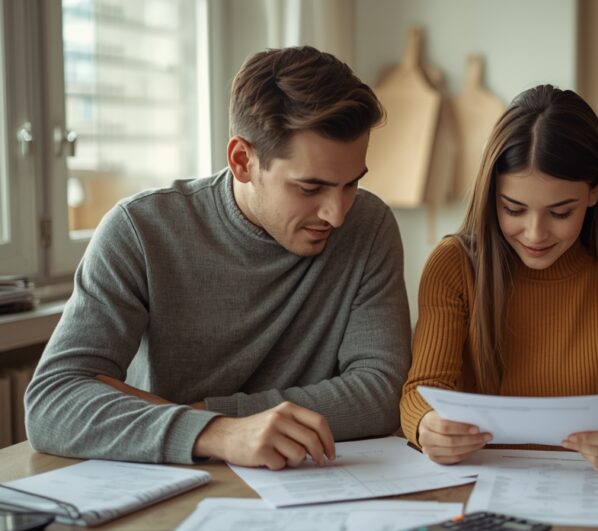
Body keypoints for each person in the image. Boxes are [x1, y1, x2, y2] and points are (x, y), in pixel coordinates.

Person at [25, 46, 411, 469]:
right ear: (243, 160)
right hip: (172, 485)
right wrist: (219, 433)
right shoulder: (140, 230)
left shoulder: (369, 225)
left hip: (315, 484)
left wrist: (199, 411)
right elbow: (53, 401)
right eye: (310, 188)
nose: (336, 214)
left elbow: (381, 393)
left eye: (350, 184)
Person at [399, 85, 598, 477]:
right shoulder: (454, 265)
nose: (535, 234)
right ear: (492, 194)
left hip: (596, 485)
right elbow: (421, 389)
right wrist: (426, 425)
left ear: (596, 188)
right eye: (513, 209)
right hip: (478, 478)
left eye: (560, 212)